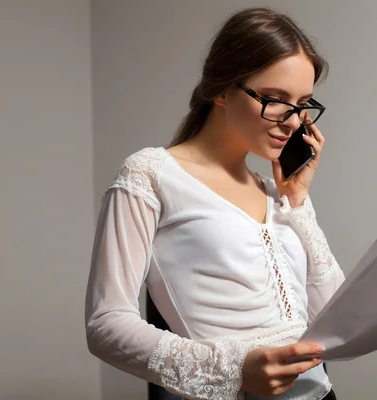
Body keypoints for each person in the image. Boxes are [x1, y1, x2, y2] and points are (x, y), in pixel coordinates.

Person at [85, 7, 345, 400]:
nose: (293, 122)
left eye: (302, 104)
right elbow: (106, 324)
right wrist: (238, 369)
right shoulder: (151, 175)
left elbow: (334, 318)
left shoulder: (278, 193)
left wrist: (298, 201)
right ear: (222, 89)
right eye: (275, 99)